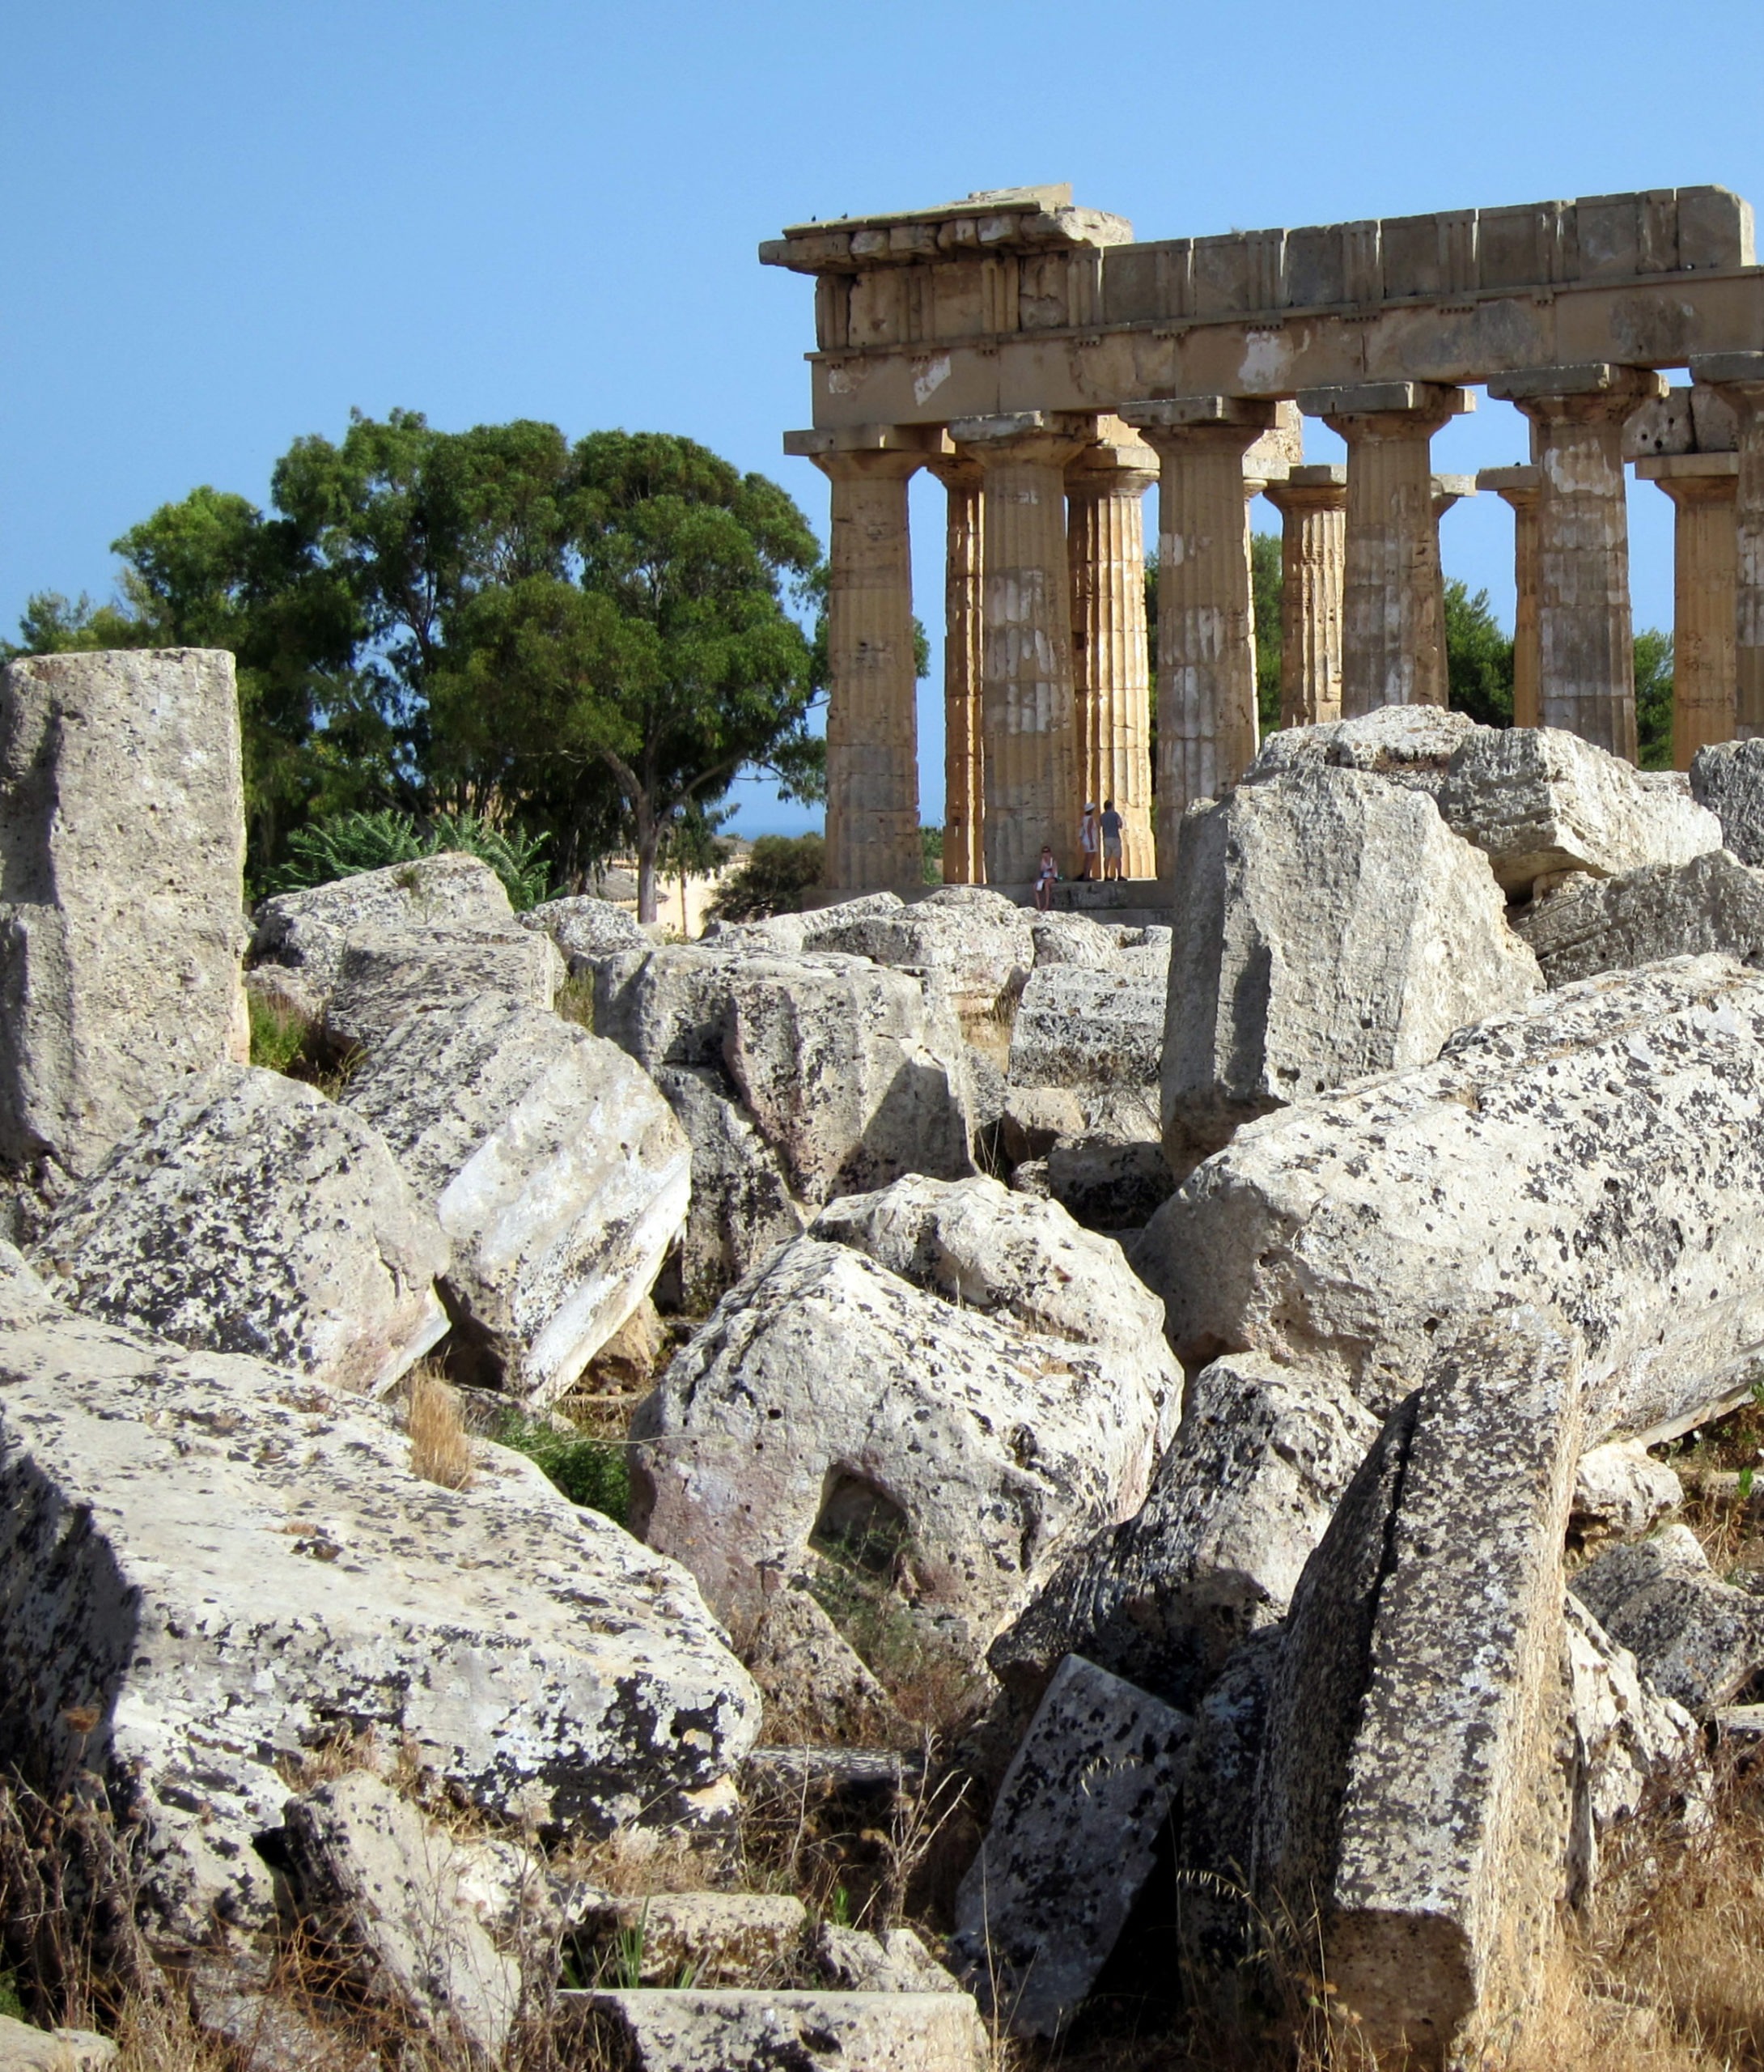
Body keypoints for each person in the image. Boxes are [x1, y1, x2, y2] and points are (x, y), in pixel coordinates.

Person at [1100, 798, 1125, 881]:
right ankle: (1119, 875)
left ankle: (1106, 875)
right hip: (1115, 837)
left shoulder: (1102, 816)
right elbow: (1120, 824)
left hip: (1106, 838)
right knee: (1117, 858)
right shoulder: (1115, 815)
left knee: (1107, 858)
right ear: (1111, 806)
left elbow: (1100, 825)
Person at [1034, 843, 1060, 911]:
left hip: (1053, 877)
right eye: (1044, 852)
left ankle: (1047, 905)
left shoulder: (1053, 861)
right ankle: (1039, 906)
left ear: (1049, 853)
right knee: (1035, 886)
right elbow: (1042, 871)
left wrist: (1047, 879)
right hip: (1045, 877)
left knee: (1046, 884)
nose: (1045, 854)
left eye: (1047, 852)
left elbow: (1053, 873)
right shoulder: (1042, 861)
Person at [1078, 801, 1099, 881]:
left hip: (1085, 839)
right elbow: (1089, 831)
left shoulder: (1084, 818)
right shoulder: (1090, 819)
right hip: (1090, 839)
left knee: (1087, 859)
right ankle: (1087, 876)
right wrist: (1091, 842)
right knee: (1090, 859)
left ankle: (1086, 875)